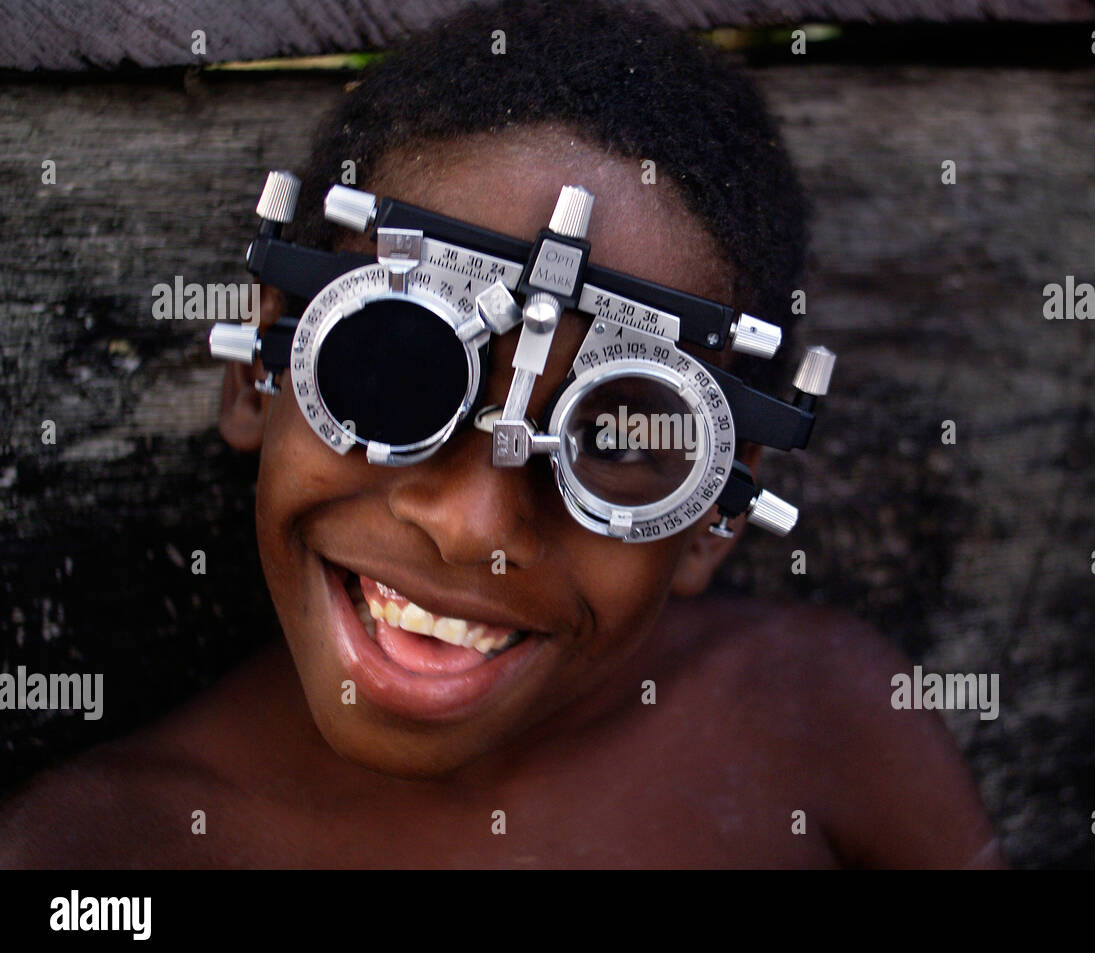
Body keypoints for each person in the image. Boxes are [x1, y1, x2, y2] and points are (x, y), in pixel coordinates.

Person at [0, 0, 1002, 867]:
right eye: (395, 369)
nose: (472, 519)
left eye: (608, 440)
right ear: (260, 367)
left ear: (713, 512)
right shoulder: (97, 858)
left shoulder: (820, 719)